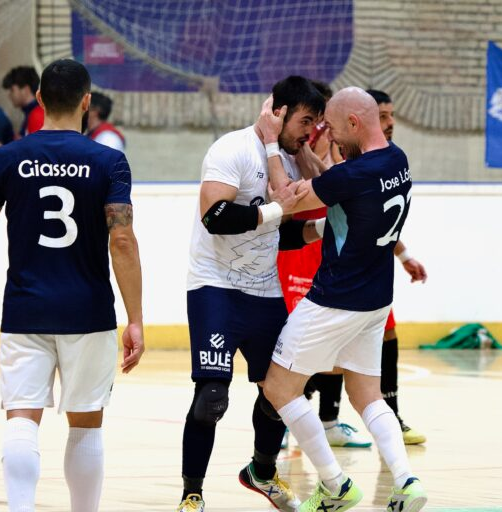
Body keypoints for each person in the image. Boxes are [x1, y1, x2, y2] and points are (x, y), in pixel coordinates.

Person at [0, 58, 144, 512]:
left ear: (40, 99)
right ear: (87, 101)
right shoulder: (109, 161)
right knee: (85, 425)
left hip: (26, 310)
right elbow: (121, 239)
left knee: (21, 417)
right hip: (88, 312)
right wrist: (136, 318)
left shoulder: (6, 158)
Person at [261, 87, 427, 512]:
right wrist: (317, 161)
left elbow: (290, 198)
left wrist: (268, 142)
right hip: (375, 301)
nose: (328, 138)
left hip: (335, 298)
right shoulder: (397, 160)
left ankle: (334, 484)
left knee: (278, 386)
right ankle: (407, 482)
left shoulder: (351, 176)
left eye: (333, 130)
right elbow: (333, 184)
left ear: (354, 123)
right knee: (367, 394)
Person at [177, 76, 325, 512]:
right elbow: (215, 215)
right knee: (211, 399)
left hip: (263, 291)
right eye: (305, 121)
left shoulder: (292, 161)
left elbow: (282, 234)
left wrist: (319, 229)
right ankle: (192, 494)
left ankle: (261, 470)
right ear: (278, 113)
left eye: (316, 123)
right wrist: (280, 209)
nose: (310, 131)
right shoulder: (233, 148)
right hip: (215, 286)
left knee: (280, 392)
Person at [278, 80, 372, 450]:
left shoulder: (340, 147)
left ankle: (329, 420)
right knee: (293, 340)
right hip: (296, 242)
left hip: (327, 243)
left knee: (335, 342)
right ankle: (287, 416)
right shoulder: (301, 142)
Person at [366, 89, 428, 445]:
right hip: (325, 261)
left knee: (387, 334)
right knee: (321, 351)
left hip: (372, 268)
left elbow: (381, 221)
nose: (390, 124)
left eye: (391, 115)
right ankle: (300, 415)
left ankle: (392, 416)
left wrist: (404, 256)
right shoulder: (347, 155)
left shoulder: (391, 158)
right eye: (383, 116)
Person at [2, 66, 44, 138]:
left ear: (25, 90)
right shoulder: (31, 113)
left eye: (12, 90)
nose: (9, 95)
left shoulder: (38, 114)